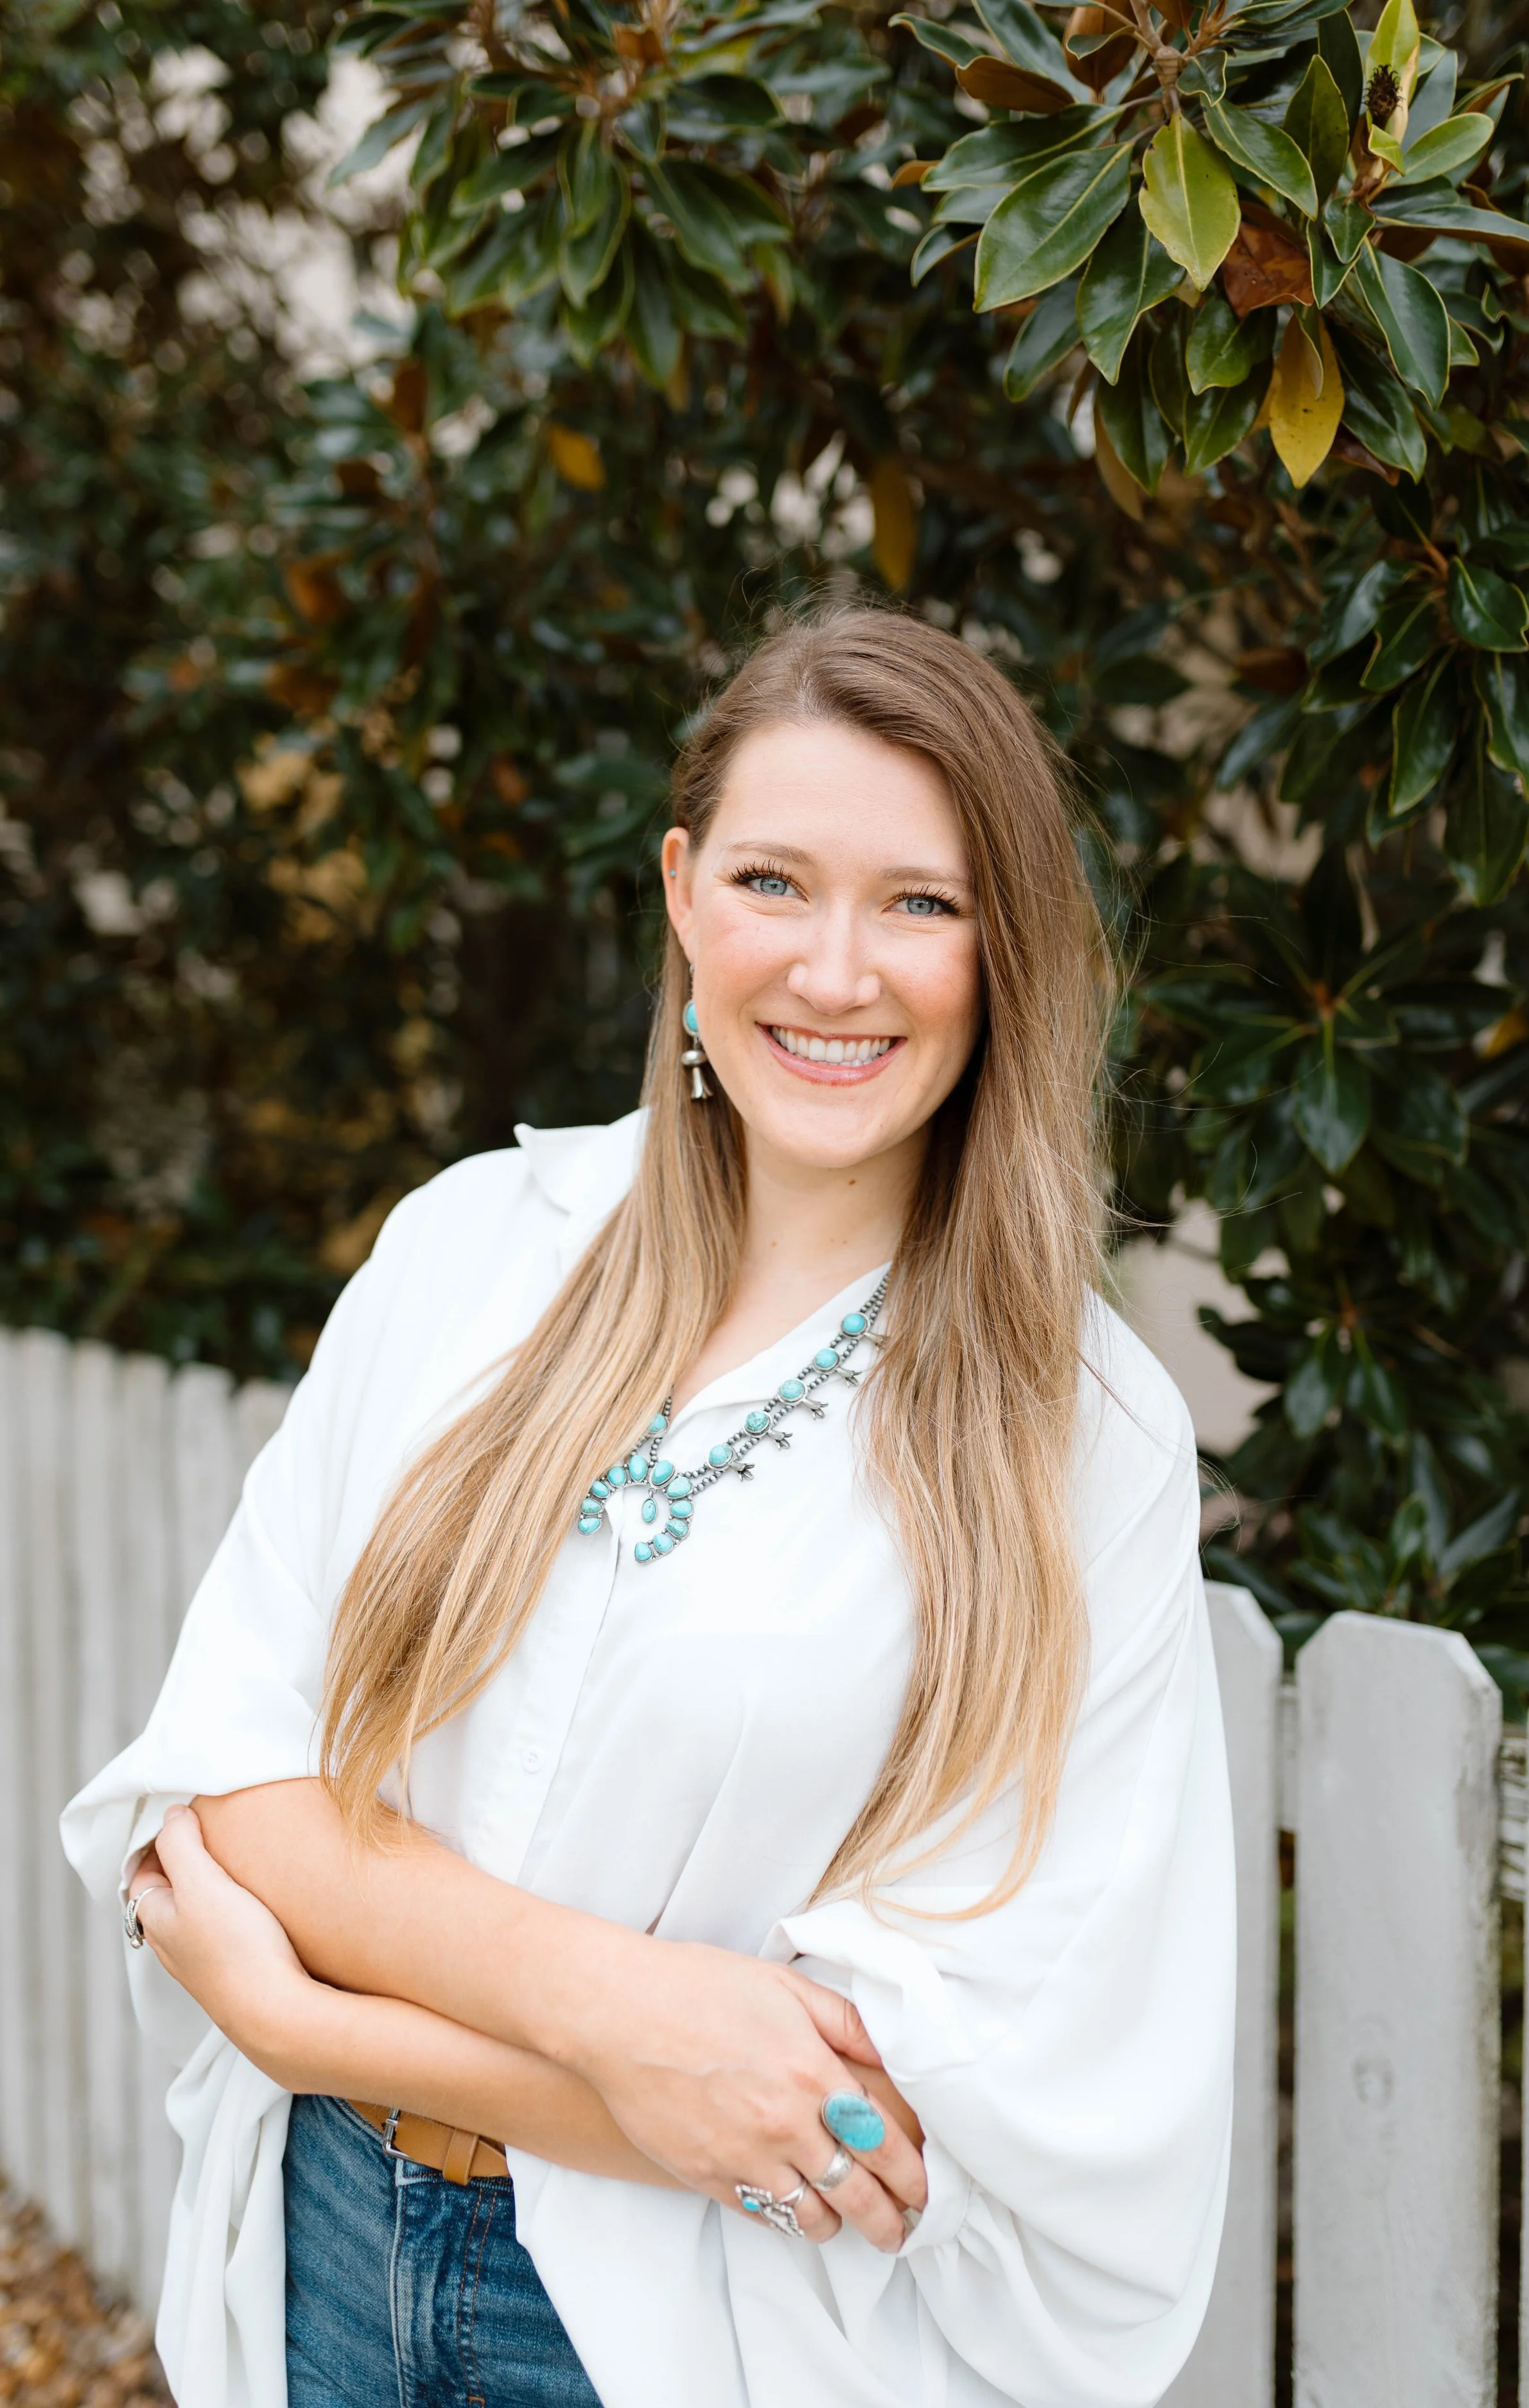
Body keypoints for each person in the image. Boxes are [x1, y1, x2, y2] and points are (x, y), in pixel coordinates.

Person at [64, 608, 1235, 2408]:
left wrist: (307, 2009)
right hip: (325, 2254)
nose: (835, 970)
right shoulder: (469, 1251)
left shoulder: (1079, 1437)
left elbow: (884, 2115)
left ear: (1006, 949)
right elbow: (231, 1784)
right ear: (684, 896)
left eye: (918, 902)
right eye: (775, 879)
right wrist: (627, 2014)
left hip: (695, 2335)